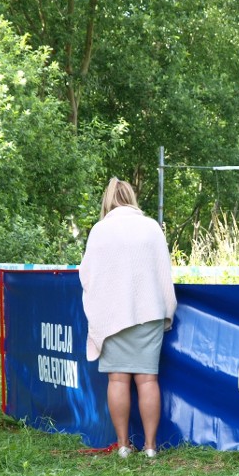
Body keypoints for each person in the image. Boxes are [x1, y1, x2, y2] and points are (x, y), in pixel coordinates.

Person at [79, 178, 177, 459]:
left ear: (107, 201)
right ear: (132, 197)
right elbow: (164, 273)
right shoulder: (151, 228)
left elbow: (86, 275)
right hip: (149, 313)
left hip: (112, 316)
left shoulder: (100, 230)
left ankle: (122, 446)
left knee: (118, 381)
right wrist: (166, 312)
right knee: (148, 381)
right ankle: (150, 447)